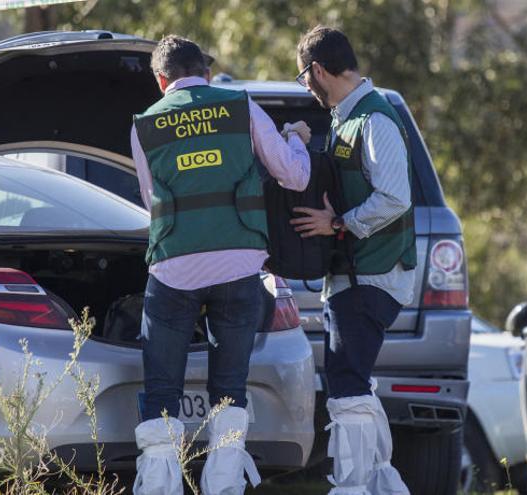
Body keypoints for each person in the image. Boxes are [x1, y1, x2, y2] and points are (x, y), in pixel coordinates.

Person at [130, 35, 311, 495]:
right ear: (206, 73)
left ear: (160, 80)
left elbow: (151, 200)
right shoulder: (240, 106)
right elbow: (295, 175)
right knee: (229, 389)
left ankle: (159, 487)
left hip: (173, 272)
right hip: (238, 268)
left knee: (162, 392)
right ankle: (225, 487)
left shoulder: (144, 125)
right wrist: (295, 139)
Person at [290, 26, 416, 495]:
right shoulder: (347, 117)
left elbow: (395, 198)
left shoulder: (374, 118)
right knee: (353, 381)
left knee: (346, 382)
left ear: (318, 70)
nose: (306, 87)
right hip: (353, 276)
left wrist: (338, 224)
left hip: (373, 275)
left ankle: (355, 486)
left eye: (304, 77)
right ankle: (379, 484)